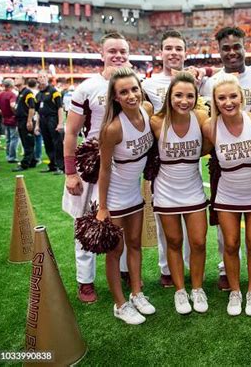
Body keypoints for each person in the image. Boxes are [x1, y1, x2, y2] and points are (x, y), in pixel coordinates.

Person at [63, 31, 131, 303]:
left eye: (122, 51)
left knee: (121, 219)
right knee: (86, 222)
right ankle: (85, 280)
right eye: (112, 51)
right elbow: (70, 132)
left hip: (122, 164)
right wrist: (70, 172)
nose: (117, 56)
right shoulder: (87, 87)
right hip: (90, 163)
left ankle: (125, 270)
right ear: (102, 55)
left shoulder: (134, 84)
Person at [201, 26, 251, 292]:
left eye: (236, 47)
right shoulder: (210, 82)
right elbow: (207, 122)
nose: (231, 52)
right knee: (224, 226)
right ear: (219, 51)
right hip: (224, 161)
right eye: (225, 48)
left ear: (244, 47)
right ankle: (224, 268)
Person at [96, 67, 155, 325]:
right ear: (115, 98)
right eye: (124, 92)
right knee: (115, 251)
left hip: (135, 192)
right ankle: (120, 305)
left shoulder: (147, 111)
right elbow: (104, 169)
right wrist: (103, 207)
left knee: (134, 244)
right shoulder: (112, 128)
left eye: (134, 89)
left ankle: (137, 293)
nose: (131, 95)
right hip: (116, 197)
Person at [149, 72, 210, 314]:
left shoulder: (202, 117)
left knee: (198, 241)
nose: (183, 101)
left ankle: (197, 288)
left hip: (193, 189)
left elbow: (210, 144)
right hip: (166, 191)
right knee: (173, 242)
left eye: (189, 96)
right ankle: (180, 290)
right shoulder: (156, 121)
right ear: (169, 96)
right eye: (178, 95)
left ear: (196, 97)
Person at [143, 30, 193, 288]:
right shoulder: (148, 84)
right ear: (161, 52)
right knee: (167, 221)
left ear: (185, 52)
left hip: (190, 157)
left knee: (191, 223)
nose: (174, 52)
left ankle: (186, 268)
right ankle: (166, 268)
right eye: (169, 48)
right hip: (163, 159)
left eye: (178, 48)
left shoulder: (196, 80)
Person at [35, 71, 65, 174]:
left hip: (53, 119)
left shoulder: (54, 91)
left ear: (47, 78)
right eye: (40, 77)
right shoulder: (38, 95)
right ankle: (52, 165)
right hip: (43, 120)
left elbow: (60, 108)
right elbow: (38, 111)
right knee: (48, 143)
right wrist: (37, 125)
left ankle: (61, 167)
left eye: (44, 76)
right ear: (37, 79)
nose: (42, 78)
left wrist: (60, 123)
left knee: (57, 143)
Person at [11, 76, 36, 172]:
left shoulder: (28, 92)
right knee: (25, 142)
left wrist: (29, 121)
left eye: (17, 79)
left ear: (23, 81)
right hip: (20, 120)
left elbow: (32, 107)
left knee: (28, 142)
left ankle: (25, 164)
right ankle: (32, 161)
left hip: (26, 120)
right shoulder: (20, 93)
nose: (15, 80)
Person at [0, 78, 19, 163]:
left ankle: (8, 155)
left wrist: (0, 111)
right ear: (11, 85)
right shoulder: (12, 94)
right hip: (13, 119)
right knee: (14, 138)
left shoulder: (0, 95)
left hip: (5, 119)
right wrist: (16, 113)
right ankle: (12, 157)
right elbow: (12, 105)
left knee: (8, 139)